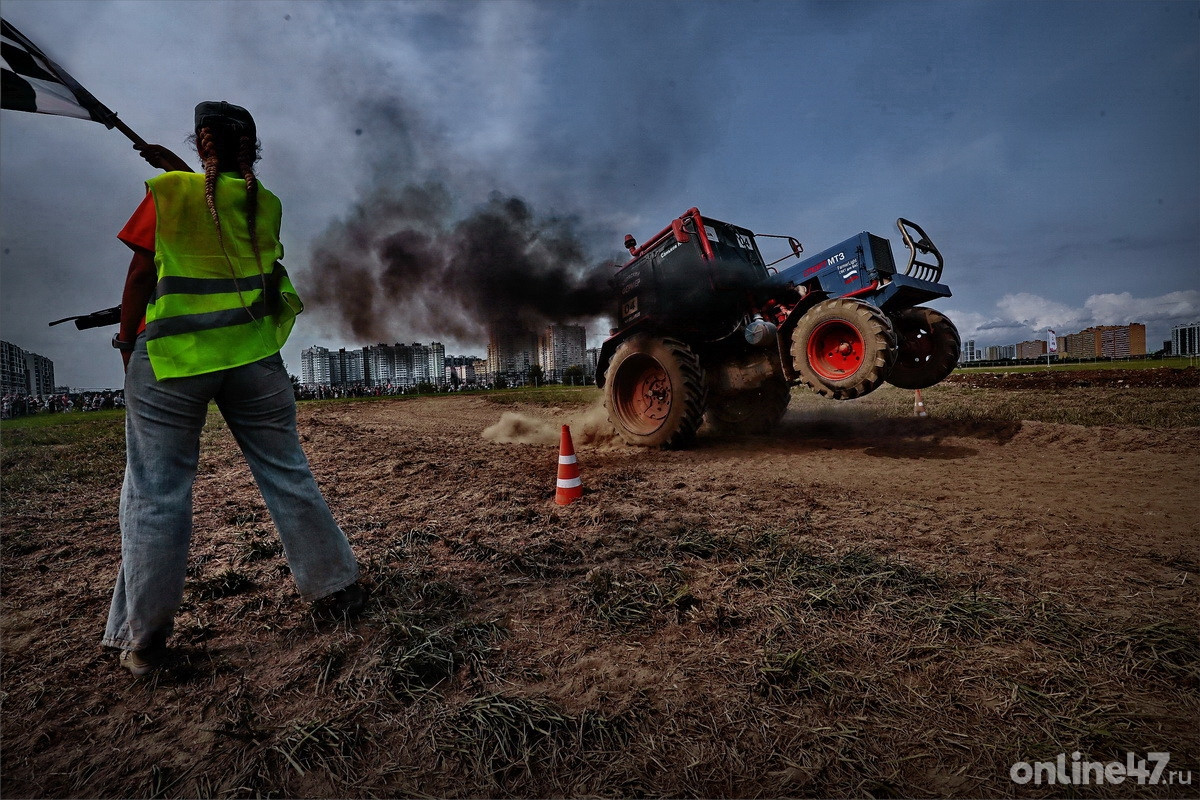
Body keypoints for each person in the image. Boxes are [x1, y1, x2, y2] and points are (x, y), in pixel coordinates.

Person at [102, 101, 363, 676]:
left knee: (155, 491)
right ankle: (337, 587)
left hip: (174, 358)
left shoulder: (169, 191)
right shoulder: (265, 202)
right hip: (252, 357)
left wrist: (126, 344)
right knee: (286, 469)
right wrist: (186, 176)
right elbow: (234, 238)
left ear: (202, 142)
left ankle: (143, 643)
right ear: (252, 148)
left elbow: (142, 274)